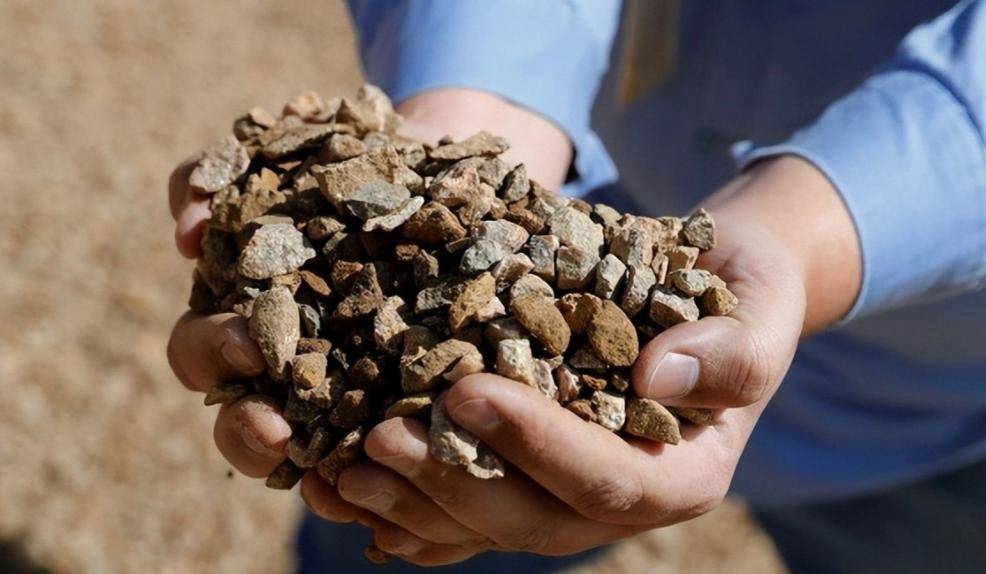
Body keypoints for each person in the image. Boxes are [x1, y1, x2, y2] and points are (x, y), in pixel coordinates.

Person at [166, 1, 986, 572]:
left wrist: (803, 236)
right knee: (396, 509)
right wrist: (480, 106)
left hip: (926, 411)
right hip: (579, 219)